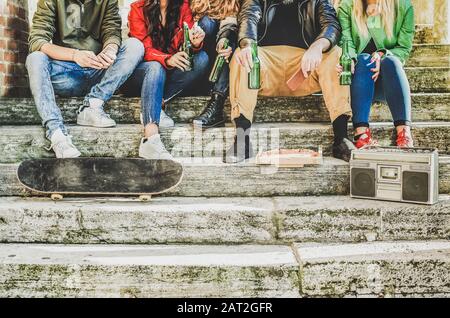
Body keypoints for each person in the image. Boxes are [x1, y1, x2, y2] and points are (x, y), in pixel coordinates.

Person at [226, 0, 356, 163]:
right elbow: (248, 17)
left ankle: (341, 139)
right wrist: (248, 44)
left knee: (336, 54)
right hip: (266, 67)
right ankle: (241, 140)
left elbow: (331, 25)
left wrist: (317, 46)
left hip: (304, 68)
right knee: (242, 55)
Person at [26, 0, 144, 158]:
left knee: (135, 45)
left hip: (100, 71)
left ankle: (93, 105)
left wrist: (109, 50)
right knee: (35, 58)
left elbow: (112, 32)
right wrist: (75, 55)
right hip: (66, 74)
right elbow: (37, 40)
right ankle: (56, 133)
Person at [125, 0, 208, 160]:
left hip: (169, 73)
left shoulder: (183, 7)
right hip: (143, 74)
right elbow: (143, 49)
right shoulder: (138, 8)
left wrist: (195, 43)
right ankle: (150, 138)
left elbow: (187, 46)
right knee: (156, 67)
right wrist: (167, 59)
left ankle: (158, 102)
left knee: (202, 59)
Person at [337, 0, 415, 148]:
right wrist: (350, 60)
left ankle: (404, 134)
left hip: (389, 83)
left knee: (391, 61)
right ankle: (361, 135)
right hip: (359, 80)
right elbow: (346, 42)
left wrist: (382, 54)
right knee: (363, 59)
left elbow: (403, 49)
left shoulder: (404, 6)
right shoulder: (347, 5)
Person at [190, 0, 240, 128]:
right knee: (207, 23)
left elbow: (229, 24)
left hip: (218, 70)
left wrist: (224, 39)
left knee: (229, 42)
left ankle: (217, 103)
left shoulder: (232, 3)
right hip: (194, 65)